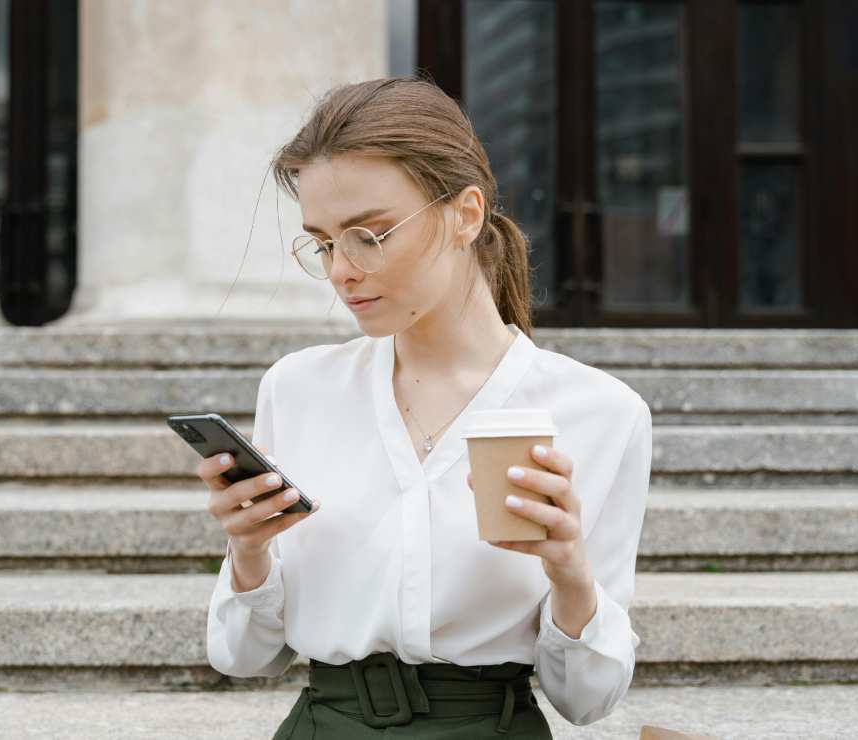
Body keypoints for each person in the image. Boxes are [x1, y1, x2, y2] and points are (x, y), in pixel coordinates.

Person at [198, 76, 653, 738]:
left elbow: (587, 699)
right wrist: (248, 553)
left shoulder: (599, 413)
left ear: (466, 214)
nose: (341, 271)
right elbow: (244, 656)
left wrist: (570, 574)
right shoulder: (298, 389)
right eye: (323, 242)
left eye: (370, 236)